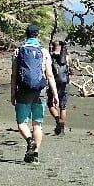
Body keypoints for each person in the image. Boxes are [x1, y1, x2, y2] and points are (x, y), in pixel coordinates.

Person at [11, 24, 58, 164]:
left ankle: (29, 140)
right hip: (40, 90)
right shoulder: (43, 51)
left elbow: (14, 75)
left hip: (23, 90)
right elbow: (49, 75)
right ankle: (35, 154)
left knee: (21, 122)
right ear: (38, 35)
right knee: (37, 124)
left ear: (26, 35)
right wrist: (54, 94)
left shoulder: (18, 51)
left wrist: (13, 94)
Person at [47, 40, 70, 135]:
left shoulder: (49, 57)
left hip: (53, 83)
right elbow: (70, 70)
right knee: (63, 107)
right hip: (65, 83)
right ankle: (62, 128)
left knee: (50, 104)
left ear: (53, 47)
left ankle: (58, 120)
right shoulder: (67, 57)